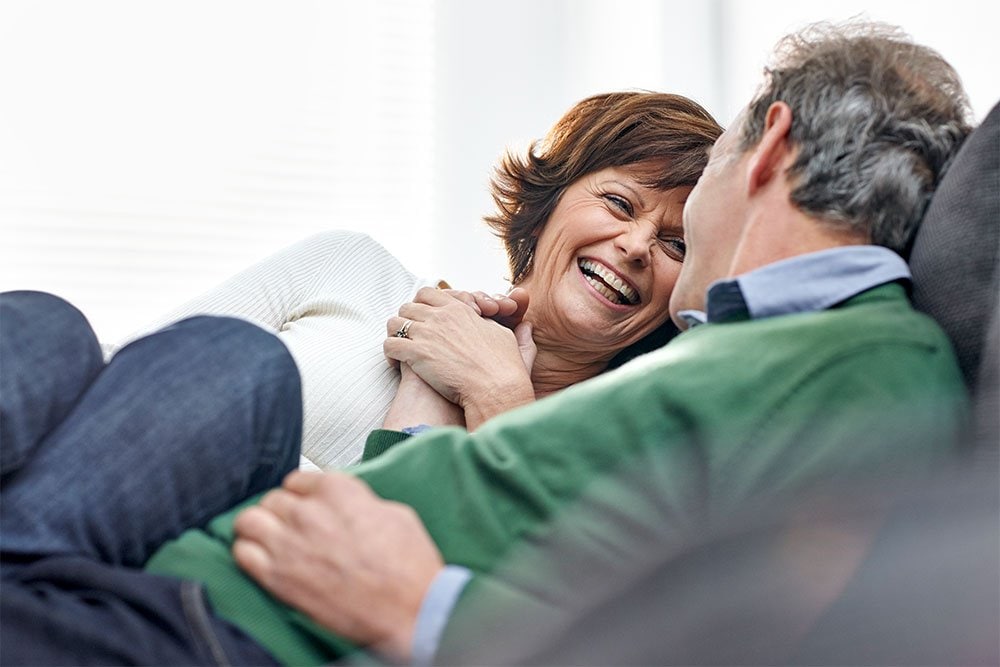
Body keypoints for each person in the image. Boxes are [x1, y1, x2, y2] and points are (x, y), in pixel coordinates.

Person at [0, 19, 975, 666]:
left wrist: (427, 609)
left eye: (679, 225)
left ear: (766, 147)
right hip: (185, 593)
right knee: (65, 330)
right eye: (622, 204)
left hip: (216, 630)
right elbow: (492, 503)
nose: (648, 251)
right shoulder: (753, 347)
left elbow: (744, 628)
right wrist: (432, 398)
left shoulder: (869, 365)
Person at [111, 91, 722, 470]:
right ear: (548, 204)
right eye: (619, 202)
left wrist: (497, 391)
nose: (638, 246)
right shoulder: (348, 268)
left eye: (676, 244)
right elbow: (123, 382)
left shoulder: (629, 451)